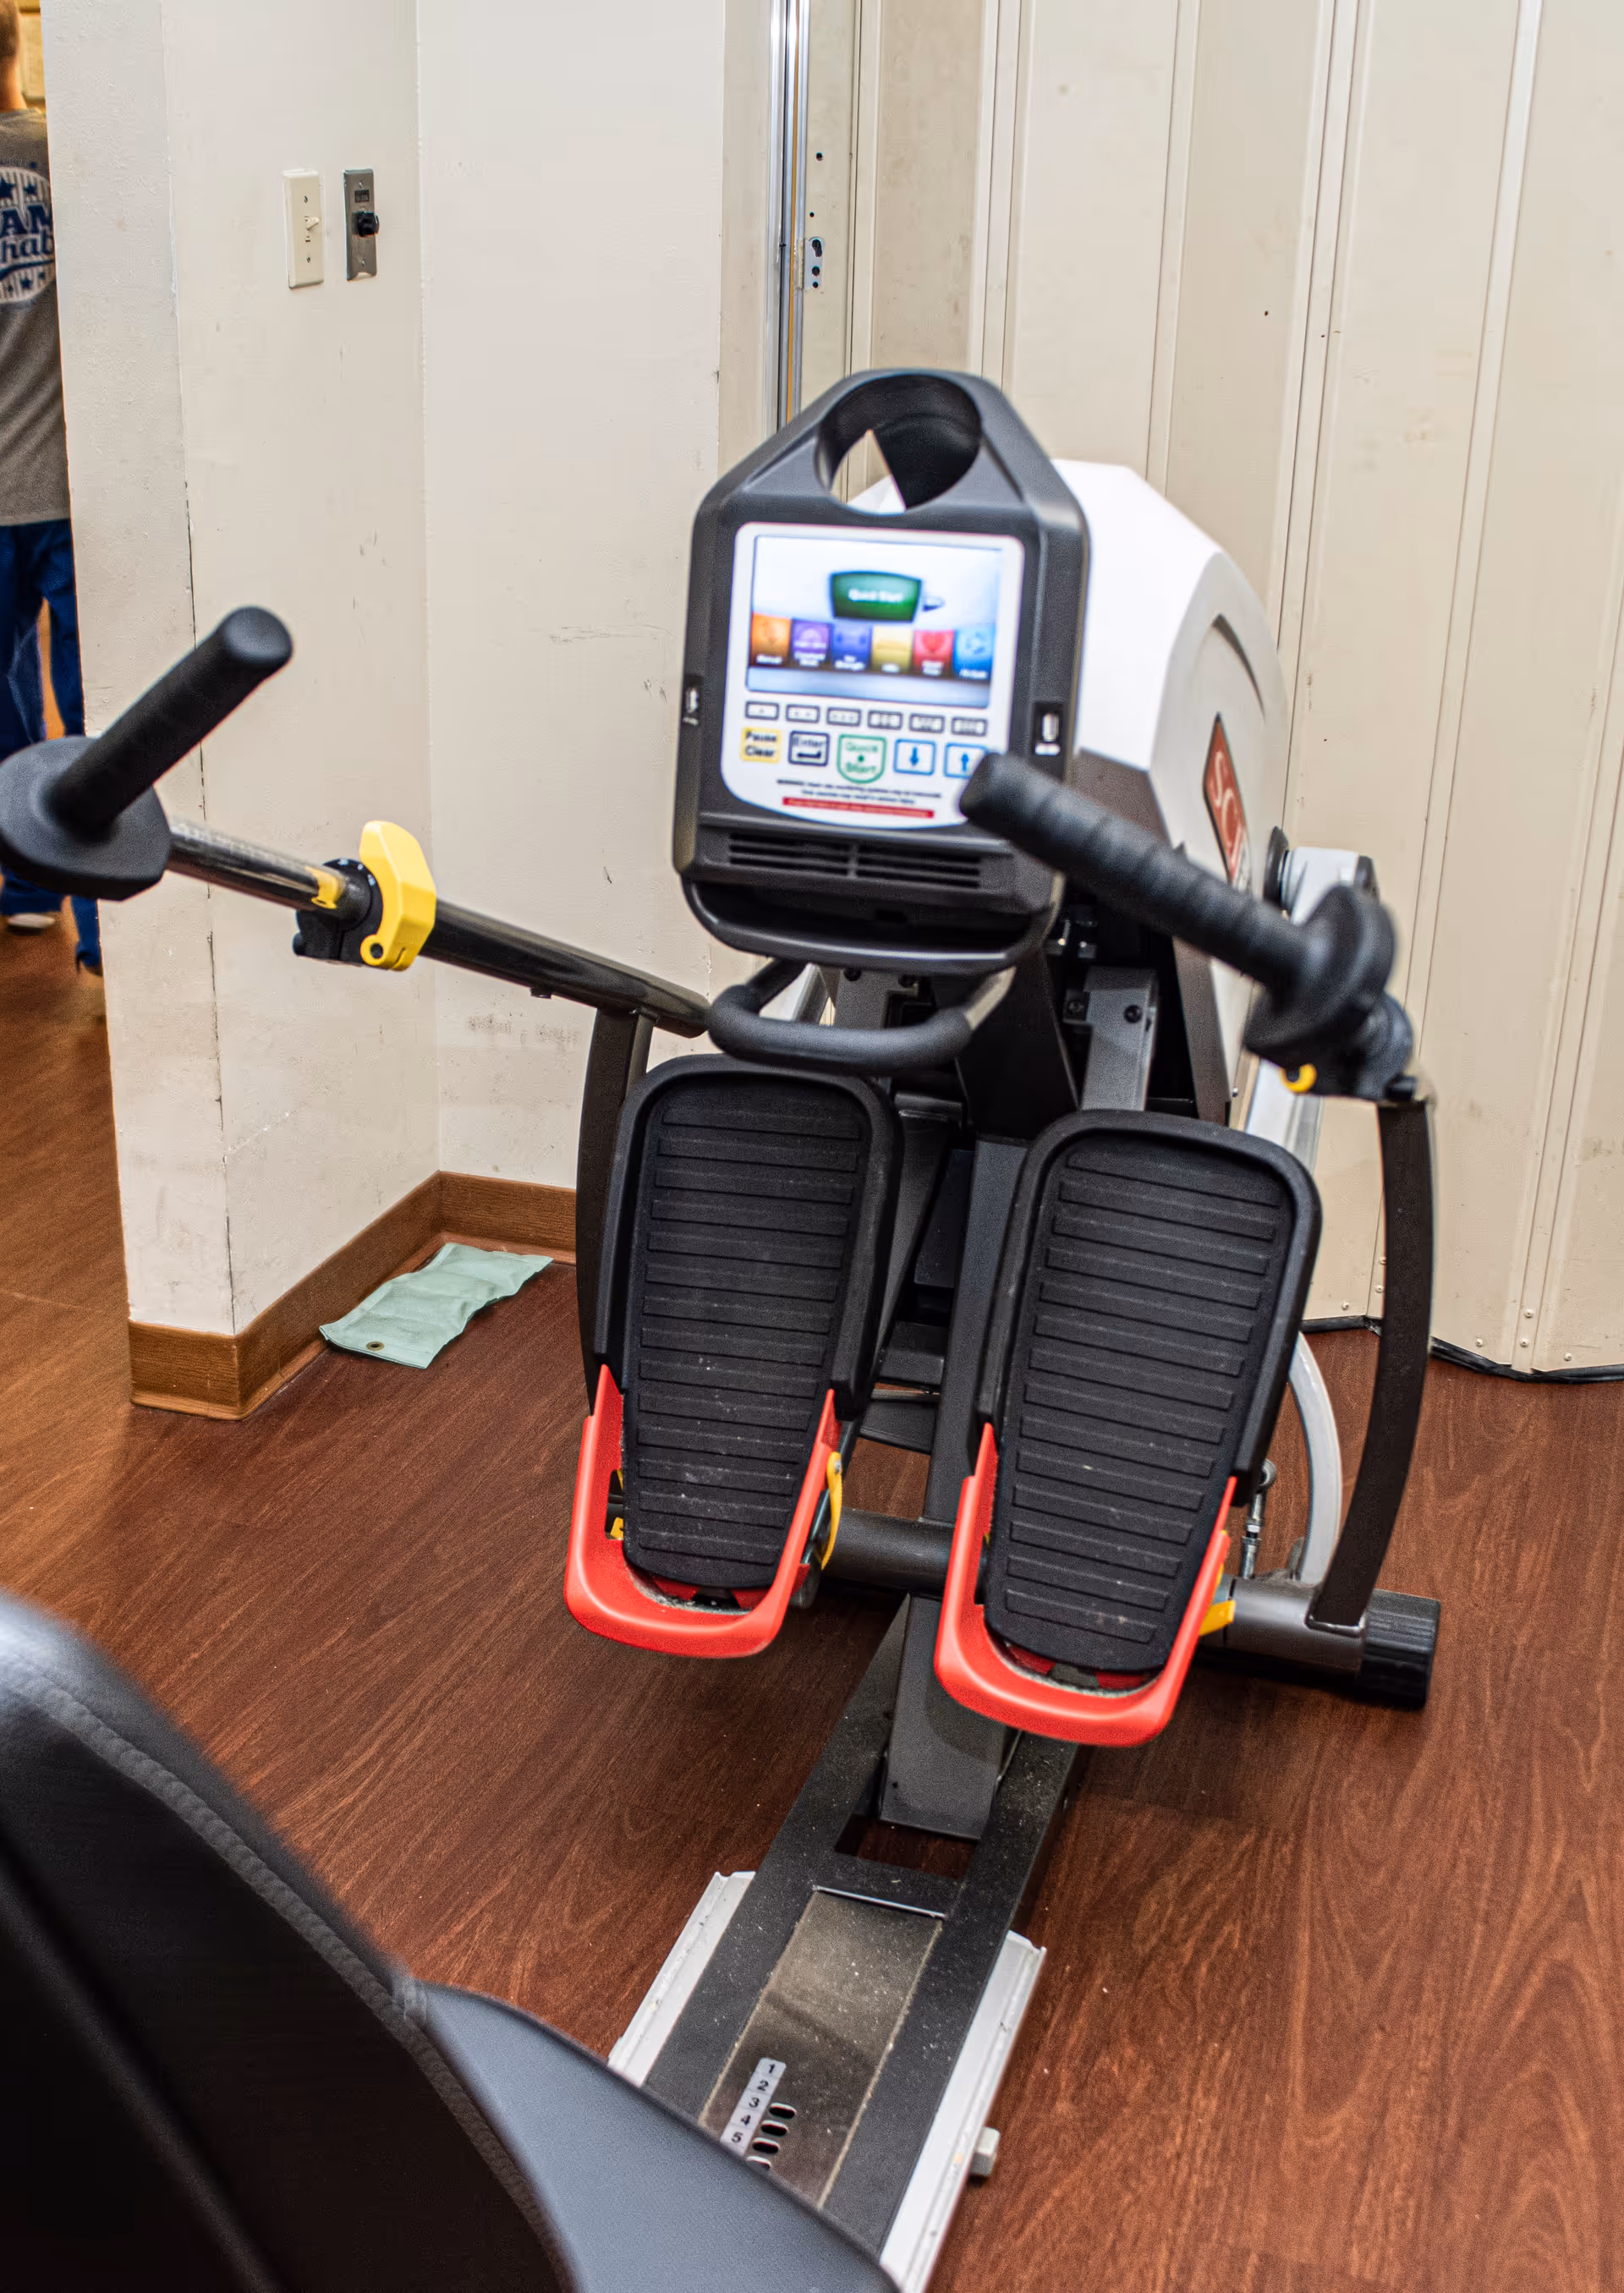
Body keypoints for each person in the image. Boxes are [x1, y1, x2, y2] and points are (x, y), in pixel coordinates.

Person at [0, 0, 97, 971]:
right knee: (94, 708)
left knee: (9, 700)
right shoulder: (64, 154)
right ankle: (108, 937)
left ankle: (27, 882)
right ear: (19, 45)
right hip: (69, 488)